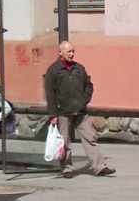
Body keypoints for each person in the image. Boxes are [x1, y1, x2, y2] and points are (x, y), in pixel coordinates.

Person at [44, 40, 114, 178]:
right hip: (63, 111)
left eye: (73, 51)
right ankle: (67, 168)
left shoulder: (79, 68)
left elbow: (89, 85)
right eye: (69, 51)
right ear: (60, 53)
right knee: (64, 141)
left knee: (90, 138)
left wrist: (84, 99)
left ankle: (99, 167)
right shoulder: (54, 70)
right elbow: (50, 93)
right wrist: (53, 114)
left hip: (80, 111)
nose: (71, 54)